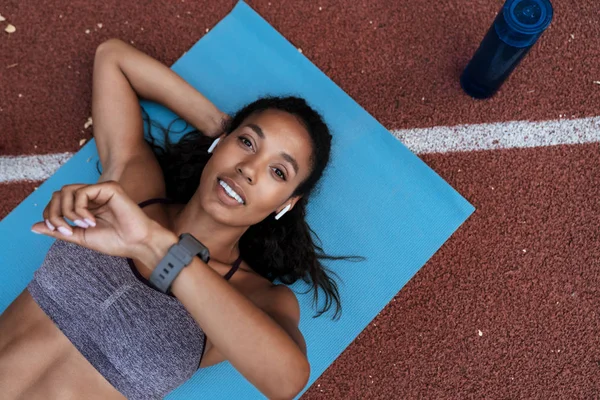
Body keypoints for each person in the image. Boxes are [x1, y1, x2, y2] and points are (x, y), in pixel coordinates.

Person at [0, 38, 363, 399]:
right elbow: (113, 59)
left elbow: (286, 380)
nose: (249, 169)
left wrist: (155, 246)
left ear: (287, 203)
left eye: (279, 172)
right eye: (248, 143)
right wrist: (222, 128)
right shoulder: (137, 192)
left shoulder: (259, 298)